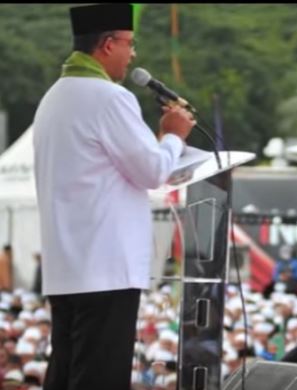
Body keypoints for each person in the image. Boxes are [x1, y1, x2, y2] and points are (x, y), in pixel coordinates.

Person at [33, 4, 195, 389]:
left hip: (69, 266)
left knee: (68, 371)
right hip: (105, 266)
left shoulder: (54, 98)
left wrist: (163, 144)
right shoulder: (109, 98)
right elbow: (153, 171)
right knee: (99, 376)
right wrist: (173, 134)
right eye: (129, 43)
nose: (133, 54)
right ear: (107, 45)